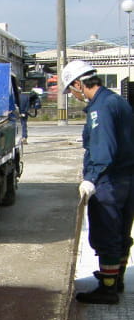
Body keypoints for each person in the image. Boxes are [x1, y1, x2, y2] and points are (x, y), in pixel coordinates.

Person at [61, 59, 134, 304]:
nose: (73, 95)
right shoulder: (116, 101)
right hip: (127, 178)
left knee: (106, 234)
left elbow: (103, 150)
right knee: (121, 232)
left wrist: (91, 179)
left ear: (80, 83)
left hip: (109, 181)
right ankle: (116, 278)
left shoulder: (99, 109)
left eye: (71, 89)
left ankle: (108, 288)